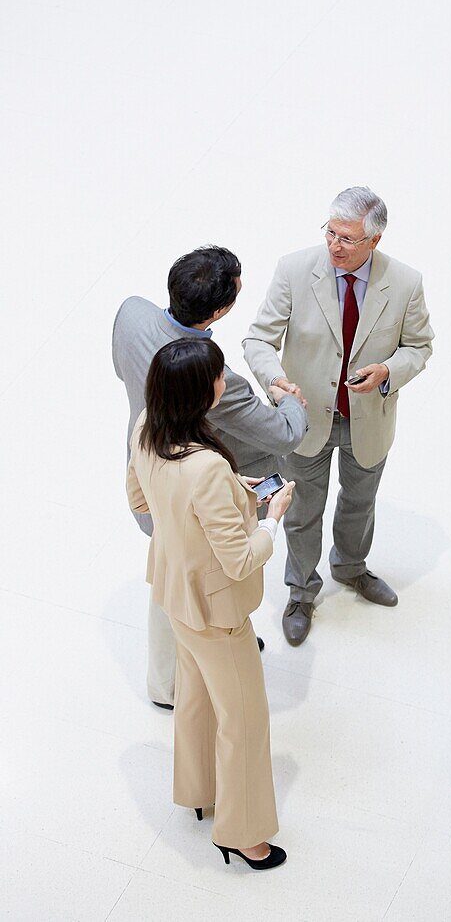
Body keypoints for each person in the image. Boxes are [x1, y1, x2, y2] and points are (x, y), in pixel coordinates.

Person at [113, 246, 308, 707]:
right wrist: (288, 396)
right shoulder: (215, 379)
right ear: (220, 310)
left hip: (147, 466)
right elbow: (284, 435)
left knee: (168, 568)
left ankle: (166, 683)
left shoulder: (131, 314)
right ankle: (185, 675)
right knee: (200, 576)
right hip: (193, 488)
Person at [127, 338, 295, 869]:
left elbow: (141, 500)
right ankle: (243, 833)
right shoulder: (206, 469)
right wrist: (271, 517)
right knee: (244, 719)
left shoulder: (145, 430)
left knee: (195, 699)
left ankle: (199, 791)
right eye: (219, 374)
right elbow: (241, 560)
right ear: (202, 394)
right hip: (219, 612)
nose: (226, 379)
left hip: (175, 592)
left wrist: (228, 497)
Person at [243, 186, 434, 646]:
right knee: (301, 510)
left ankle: (350, 568)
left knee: (358, 502)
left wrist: (389, 370)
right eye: (330, 233)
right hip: (304, 421)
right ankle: (301, 591)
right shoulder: (294, 269)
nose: (335, 246)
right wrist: (276, 382)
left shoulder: (405, 282)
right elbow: (258, 340)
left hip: (368, 420)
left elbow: (420, 346)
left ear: (375, 240)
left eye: (347, 239)